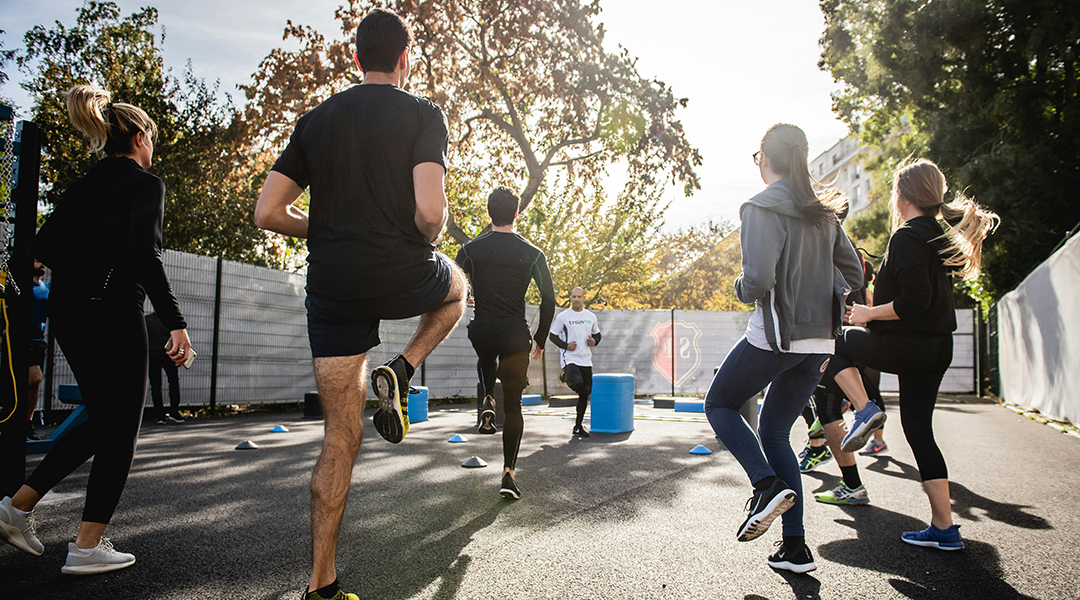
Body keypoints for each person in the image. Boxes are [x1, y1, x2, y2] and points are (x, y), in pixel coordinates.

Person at [253, 9, 467, 600]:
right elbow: (429, 213)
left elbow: (267, 212)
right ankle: (401, 368)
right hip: (401, 268)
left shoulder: (317, 120)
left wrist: (319, 227)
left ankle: (322, 585)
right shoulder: (424, 113)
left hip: (333, 285)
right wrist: (424, 238)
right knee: (457, 290)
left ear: (355, 59)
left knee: (339, 437)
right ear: (405, 59)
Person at [0, 84, 191, 574]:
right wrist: (176, 324)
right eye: (153, 138)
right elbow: (144, 255)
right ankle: (86, 546)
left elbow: (42, 245)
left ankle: (17, 507)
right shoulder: (146, 185)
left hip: (71, 313)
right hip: (112, 311)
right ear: (141, 137)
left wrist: (88, 262)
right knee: (121, 426)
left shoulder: (86, 185)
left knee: (102, 418)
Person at [702, 123, 863, 574]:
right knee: (774, 433)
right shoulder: (825, 214)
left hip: (776, 336)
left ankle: (764, 483)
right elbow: (854, 274)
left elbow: (757, 281)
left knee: (719, 402)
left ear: (766, 159)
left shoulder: (759, 206)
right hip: (819, 344)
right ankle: (795, 548)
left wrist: (738, 285)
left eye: (757, 157)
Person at [827, 157, 999, 551]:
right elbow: (921, 298)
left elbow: (915, 302)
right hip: (937, 347)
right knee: (920, 431)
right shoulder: (937, 234)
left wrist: (869, 313)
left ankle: (865, 408)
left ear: (902, 195)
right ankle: (944, 527)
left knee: (833, 344)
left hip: (909, 345)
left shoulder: (906, 236)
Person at [455, 187, 556, 500]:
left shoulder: (470, 249)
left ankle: (486, 396)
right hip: (515, 334)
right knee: (514, 406)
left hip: (483, 328)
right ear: (516, 213)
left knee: (485, 355)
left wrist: (466, 297)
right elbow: (550, 300)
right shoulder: (533, 252)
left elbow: (453, 284)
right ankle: (508, 474)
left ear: (489, 213)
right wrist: (540, 338)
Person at [548, 287, 601, 437]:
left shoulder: (591, 316)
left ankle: (577, 427)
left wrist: (594, 341)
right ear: (570, 298)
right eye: (573, 297)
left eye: (579, 297)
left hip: (586, 359)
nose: (576, 299)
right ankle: (567, 374)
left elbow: (597, 334)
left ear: (584, 298)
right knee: (578, 385)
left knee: (586, 392)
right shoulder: (563, 317)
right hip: (569, 358)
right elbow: (552, 336)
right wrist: (566, 346)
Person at [25, 259, 50, 440]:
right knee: (34, 377)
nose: (41, 263)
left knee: (35, 385)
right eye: (36, 260)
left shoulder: (46, 289)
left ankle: (27, 422)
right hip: (20, 341)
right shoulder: (20, 287)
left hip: (38, 341)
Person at [145, 311, 183, 424]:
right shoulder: (170, 320)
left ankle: (161, 415)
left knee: (156, 386)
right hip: (167, 355)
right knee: (172, 383)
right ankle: (173, 412)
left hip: (155, 355)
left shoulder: (148, 320)